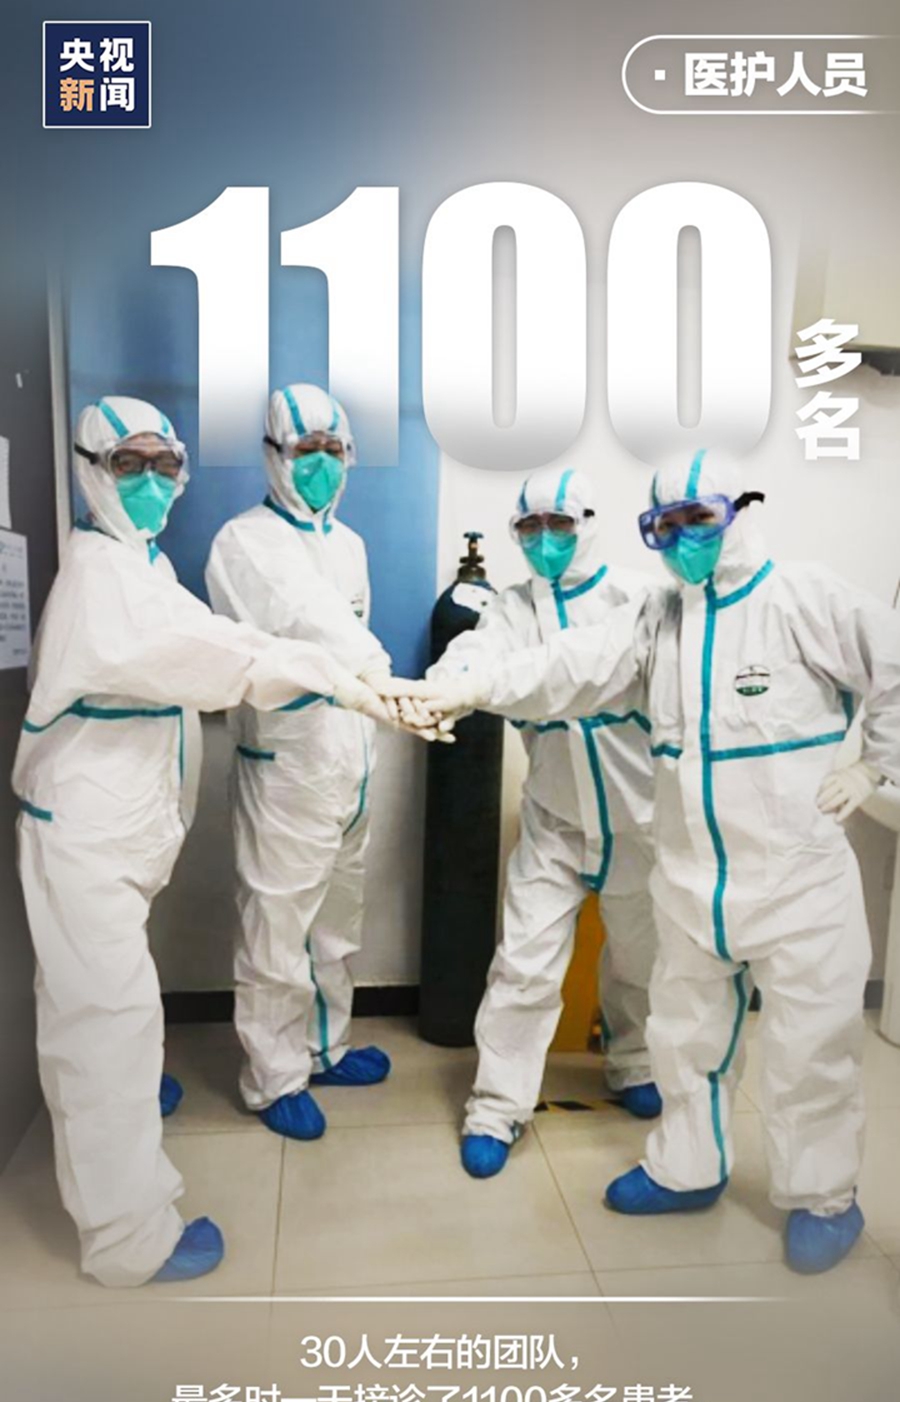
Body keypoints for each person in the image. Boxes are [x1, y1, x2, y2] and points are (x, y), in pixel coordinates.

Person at [422, 450, 900, 1272]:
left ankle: (824, 1196)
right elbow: (571, 666)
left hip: (795, 879)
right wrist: (463, 687)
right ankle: (688, 1167)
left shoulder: (803, 599)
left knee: (810, 1046)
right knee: (686, 1033)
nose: (682, 539)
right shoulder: (658, 618)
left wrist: (877, 765)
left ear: (740, 511)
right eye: (664, 526)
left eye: (697, 520)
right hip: (689, 875)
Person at [13, 395, 406, 1289]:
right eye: (129, 464)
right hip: (92, 830)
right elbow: (223, 654)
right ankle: (128, 1238)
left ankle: (128, 1105)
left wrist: (347, 682)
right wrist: (350, 678)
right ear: (88, 469)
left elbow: (215, 640)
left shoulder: (138, 564)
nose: (151, 482)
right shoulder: (104, 578)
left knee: (108, 1010)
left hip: (123, 828)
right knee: (104, 1022)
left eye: (165, 465)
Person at [426, 468, 660, 1179]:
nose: (545, 539)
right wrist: (444, 685)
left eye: (560, 523)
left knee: (640, 958)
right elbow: (476, 652)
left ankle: (635, 1061)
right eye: (529, 527)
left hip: (638, 817)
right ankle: (496, 1108)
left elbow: (576, 674)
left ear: (588, 523)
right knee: (523, 965)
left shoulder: (638, 599)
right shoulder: (511, 608)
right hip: (554, 821)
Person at [205, 384, 402, 1142]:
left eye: (332, 449)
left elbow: (347, 629)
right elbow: (308, 620)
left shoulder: (349, 545)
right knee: (276, 927)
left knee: (335, 920)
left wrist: (373, 698)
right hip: (285, 763)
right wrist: (381, 674)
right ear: (272, 454)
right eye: (304, 449)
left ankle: (326, 1045)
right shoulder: (244, 542)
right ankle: (274, 1075)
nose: (320, 463)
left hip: (348, 761)